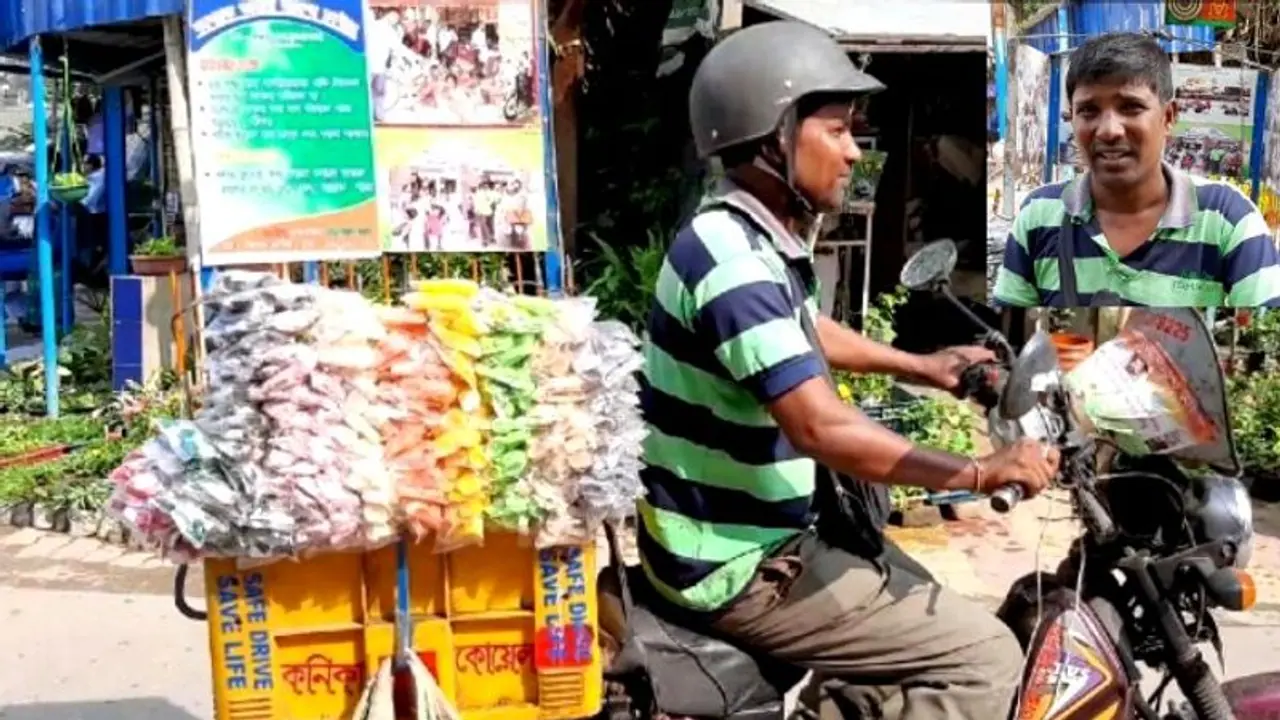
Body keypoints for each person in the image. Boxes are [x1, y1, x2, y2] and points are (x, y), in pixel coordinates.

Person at [631, 20, 1059, 720]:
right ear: (776, 137)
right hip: (741, 566)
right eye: (836, 130)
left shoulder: (742, 236)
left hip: (762, 535)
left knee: (924, 606)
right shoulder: (732, 258)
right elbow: (820, 428)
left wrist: (921, 365)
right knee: (984, 655)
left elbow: (801, 332)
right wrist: (985, 472)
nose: (855, 151)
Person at [993, 32, 1280, 308]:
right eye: (1089, 111)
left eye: (1130, 107)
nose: (1108, 131)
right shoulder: (1038, 215)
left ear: (1168, 117)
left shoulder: (1227, 218)